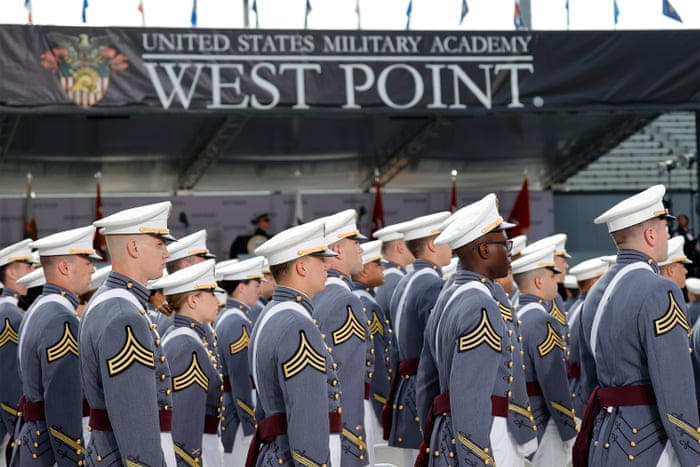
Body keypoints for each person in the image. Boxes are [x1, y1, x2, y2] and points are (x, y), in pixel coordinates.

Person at [574, 184, 700, 466]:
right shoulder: (660, 290)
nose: (668, 233)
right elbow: (675, 387)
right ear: (650, 234)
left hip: (604, 439)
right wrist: (692, 456)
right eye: (664, 226)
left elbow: (588, 383)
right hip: (648, 445)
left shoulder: (594, 293)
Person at [415, 194, 520, 466]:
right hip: (483, 435)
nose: (509, 252)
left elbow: (425, 386)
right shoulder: (481, 305)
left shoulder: (449, 297)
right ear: (484, 250)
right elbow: (472, 395)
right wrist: (476, 457)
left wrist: (435, 434)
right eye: (504, 244)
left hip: (448, 433)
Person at [79, 201, 177, 466]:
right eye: (159, 244)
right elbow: (136, 420)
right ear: (133, 247)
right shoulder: (125, 316)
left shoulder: (110, 300)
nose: (166, 254)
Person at [246, 220, 341, 467]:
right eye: (321, 259)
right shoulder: (297, 325)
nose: (328, 265)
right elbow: (307, 418)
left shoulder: (271, 313)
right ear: (301, 266)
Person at [12, 226, 100, 467]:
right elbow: (62, 403)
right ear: (64, 267)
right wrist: (74, 460)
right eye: (87, 261)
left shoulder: (39, 307)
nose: (93, 269)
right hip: (50, 451)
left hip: (35, 443)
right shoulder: (62, 318)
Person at [384, 211, 452, 466]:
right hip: (422, 391)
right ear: (433, 245)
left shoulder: (405, 281)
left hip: (407, 388)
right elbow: (436, 349)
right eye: (445, 238)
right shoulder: (432, 284)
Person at [311, 209, 371, 467]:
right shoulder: (343, 300)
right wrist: (352, 444)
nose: (361, 250)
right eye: (355, 243)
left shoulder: (319, 293)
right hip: (341, 425)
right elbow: (345, 379)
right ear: (336, 249)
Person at [154, 259, 224, 467]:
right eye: (211, 293)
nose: (218, 301)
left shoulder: (180, 335)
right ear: (192, 300)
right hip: (196, 447)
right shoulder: (188, 345)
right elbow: (185, 425)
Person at [512, 246, 578, 466]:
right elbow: (554, 384)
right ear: (539, 282)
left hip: (520, 421)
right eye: (552, 274)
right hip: (543, 420)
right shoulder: (543, 321)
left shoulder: (513, 316)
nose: (556, 280)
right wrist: (569, 431)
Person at [214, 256, 263, 464]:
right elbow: (240, 379)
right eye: (256, 285)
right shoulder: (238, 323)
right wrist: (249, 422)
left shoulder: (229, 317)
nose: (260, 291)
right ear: (241, 287)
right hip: (237, 421)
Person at [350, 239, 391, 465]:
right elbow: (376, 362)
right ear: (365, 270)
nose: (383, 268)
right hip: (371, 400)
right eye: (378, 264)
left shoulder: (356, 299)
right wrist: (382, 402)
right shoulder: (369, 304)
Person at [0, 239, 36, 464]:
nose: (33, 271)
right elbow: (9, 373)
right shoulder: (10, 315)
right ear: (12, 272)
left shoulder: (12, 311)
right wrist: (16, 416)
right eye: (28, 265)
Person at [565, 257, 609, 419]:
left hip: (576, 387)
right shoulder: (589, 310)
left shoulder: (577, 307)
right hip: (583, 391)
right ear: (593, 282)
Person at [372, 221, 415, 315]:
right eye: (410, 242)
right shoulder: (396, 280)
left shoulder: (385, 275)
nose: (415, 246)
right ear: (400, 247)